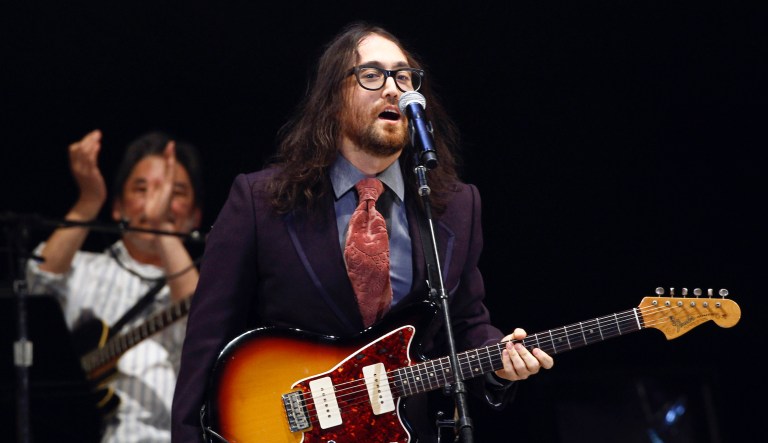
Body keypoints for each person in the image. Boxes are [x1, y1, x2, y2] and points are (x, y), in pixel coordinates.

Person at [172, 21, 554, 443]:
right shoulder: (259, 200)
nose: (394, 89)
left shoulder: (454, 207)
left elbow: (463, 323)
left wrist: (500, 364)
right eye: (372, 75)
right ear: (333, 98)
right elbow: (206, 341)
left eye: (404, 77)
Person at [26, 129, 204, 442]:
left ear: (194, 218)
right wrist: (88, 201)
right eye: (142, 188)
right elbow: (33, 287)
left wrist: (162, 226)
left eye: (175, 192)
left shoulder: (203, 285)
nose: (156, 200)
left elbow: (205, 327)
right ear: (118, 208)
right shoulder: (82, 268)